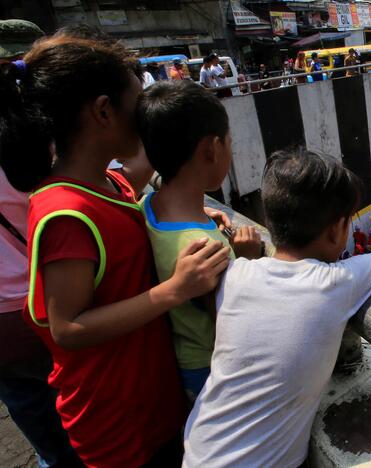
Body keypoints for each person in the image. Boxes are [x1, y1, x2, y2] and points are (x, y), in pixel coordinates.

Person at [1, 34, 231, 466]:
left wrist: (198, 219)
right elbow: (67, 327)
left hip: (149, 402)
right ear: (104, 111)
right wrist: (174, 291)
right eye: (138, 104)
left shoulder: (109, 183)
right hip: (118, 423)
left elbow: (149, 187)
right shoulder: (65, 211)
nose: (145, 117)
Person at [183, 148, 371, 467]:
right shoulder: (334, 283)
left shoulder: (236, 273)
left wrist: (245, 256)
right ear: (336, 230)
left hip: (198, 449)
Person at [136, 80, 264, 399]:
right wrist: (247, 259)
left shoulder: (145, 206)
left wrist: (204, 214)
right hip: (209, 368)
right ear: (212, 148)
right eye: (229, 143)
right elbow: (233, 325)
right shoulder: (206, 250)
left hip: (179, 356)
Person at [0, 18, 81, 467]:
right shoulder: (44, 143)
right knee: (81, 417)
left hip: (3, 328)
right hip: (44, 308)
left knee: (41, 432)